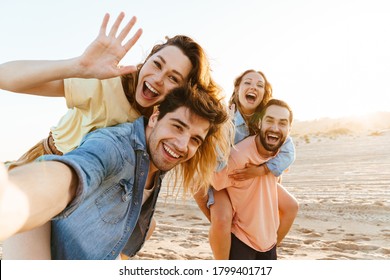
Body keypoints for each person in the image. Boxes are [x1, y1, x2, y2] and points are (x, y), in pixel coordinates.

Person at [0, 12, 230, 259]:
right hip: (50, 171)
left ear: (184, 91)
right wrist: (78, 66)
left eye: (173, 78)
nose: (157, 79)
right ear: (146, 60)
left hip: (93, 194)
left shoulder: (165, 125)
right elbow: (5, 77)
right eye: (157, 64)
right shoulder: (110, 84)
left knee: (146, 227)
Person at [0, 85, 229, 259]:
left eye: (195, 140)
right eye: (178, 126)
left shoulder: (156, 161)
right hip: (42, 248)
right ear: (156, 116)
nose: (182, 144)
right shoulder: (115, 146)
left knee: (150, 226)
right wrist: (17, 198)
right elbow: (76, 171)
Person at [194, 69, 298, 259]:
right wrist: (224, 133)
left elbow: (288, 150)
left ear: (264, 94)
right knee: (222, 219)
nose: (253, 87)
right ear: (237, 89)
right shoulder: (225, 118)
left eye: (260, 85)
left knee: (290, 206)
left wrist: (265, 170)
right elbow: (214, 165)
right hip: (224, 176)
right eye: (248, 83)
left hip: (252, 175)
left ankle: (269, 247)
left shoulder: (267, 117)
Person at [213, 98, 294, 259]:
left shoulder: (279, 153)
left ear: (289, 129)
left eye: (283, 123)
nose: (275, 128)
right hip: (243, 241)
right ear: (260, 123)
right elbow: (213, 181)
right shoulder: (239, 157)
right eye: (269, 120)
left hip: (269, 243)